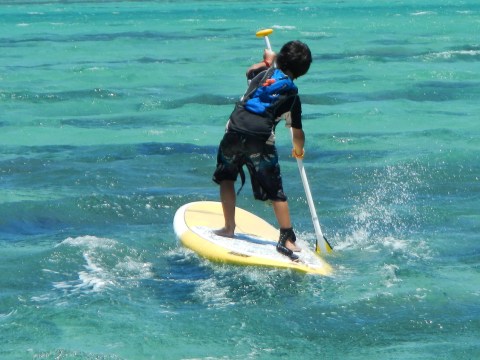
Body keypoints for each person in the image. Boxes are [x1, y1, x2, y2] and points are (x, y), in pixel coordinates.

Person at [212, 40, 312, 261]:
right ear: (303, 72)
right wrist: (298, 150)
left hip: (234, 130)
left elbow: (250, 70)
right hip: (260, 139)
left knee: (227, 177)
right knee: (276, 191)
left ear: (280, 60)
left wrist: (266, 61)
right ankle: (286, 238)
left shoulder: (261, 75)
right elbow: (297, 132)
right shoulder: (292, 96)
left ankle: (229, 227)